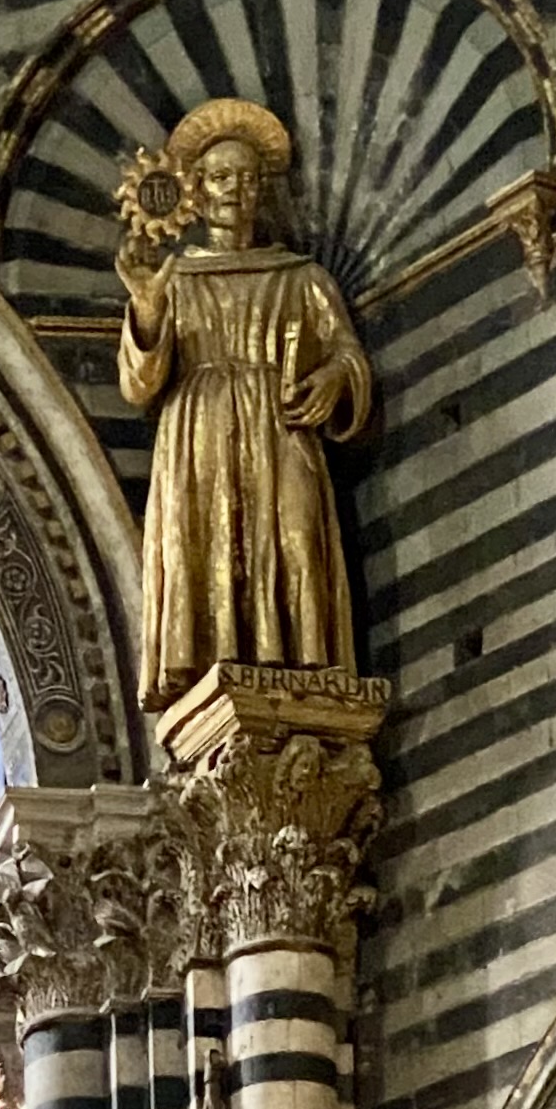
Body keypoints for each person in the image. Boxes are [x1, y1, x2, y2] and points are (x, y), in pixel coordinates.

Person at [115, 98, 371, 708]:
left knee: (296, 537)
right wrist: (147, 311)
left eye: (249, 178)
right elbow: (140, 384)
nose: (236, 189)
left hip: (280, 429)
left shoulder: (301, 277)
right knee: (203, 547)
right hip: (198, 434)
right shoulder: (175, 281)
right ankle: (207, 666)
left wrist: (333, 379)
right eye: (221, 177)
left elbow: (347, 353)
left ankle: (303, 661)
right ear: (196, 191)